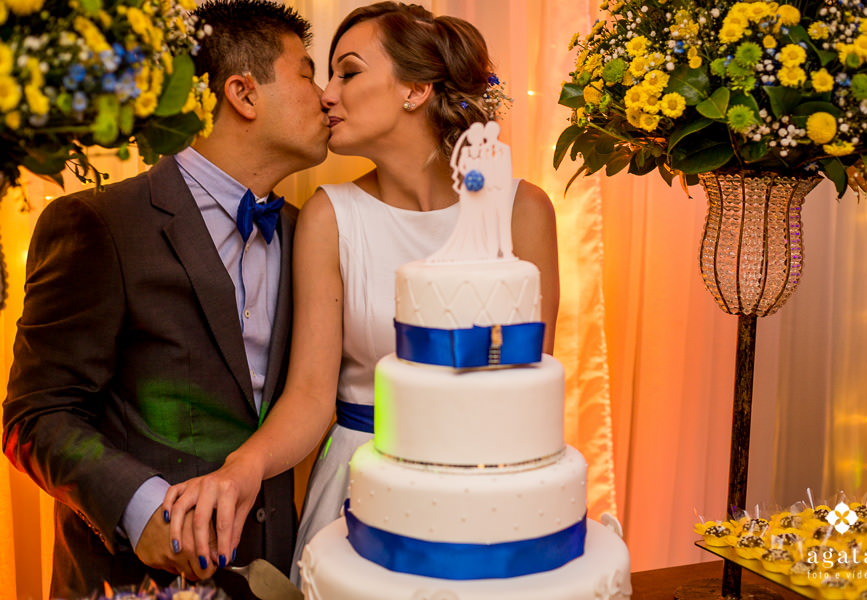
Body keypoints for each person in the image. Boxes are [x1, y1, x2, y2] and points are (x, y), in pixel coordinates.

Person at [161, 0, 560, 587]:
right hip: (359, 486)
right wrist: (243, 466)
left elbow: (529, 383)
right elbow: (309, 396)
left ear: (416, 89)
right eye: (325, 76)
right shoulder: (329, 216)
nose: (326, 95)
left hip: (488, 487)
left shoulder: (522, 210)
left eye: (348, 72)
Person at [0, 0, 329, 597]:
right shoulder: (101, 223)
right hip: (129, 579)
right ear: (243, 94)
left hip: (273, 573)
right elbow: (36, 415)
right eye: (307, 75)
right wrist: (141, 506)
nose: (325, 98)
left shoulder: (308, 233)